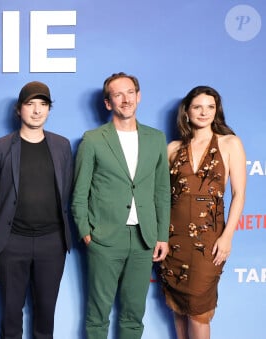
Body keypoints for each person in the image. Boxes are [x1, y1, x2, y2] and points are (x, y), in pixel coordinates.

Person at [71, 72, 171, 339]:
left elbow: (162, 191)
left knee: (133, 315)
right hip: (104, 238)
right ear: (108, 103)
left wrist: (162, 236)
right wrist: (86, 232)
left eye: (130, 93)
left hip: (143, 238)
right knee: (97, 314)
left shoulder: (156, 138)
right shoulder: (92, 139)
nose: (125, 99)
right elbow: (79, 192)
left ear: (139, 96)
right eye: (118, 94)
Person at [158, 86, 246, 339]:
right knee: (179, 309)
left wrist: (227, 237)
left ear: (217, 111)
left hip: (209, 240)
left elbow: (239, 195)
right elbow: (162, 197)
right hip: (173, 240)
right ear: (186, 111)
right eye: (197, 106)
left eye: (210, 106)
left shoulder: (230, 143)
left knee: (198, 311)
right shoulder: (173, 148)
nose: (204, 112)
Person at [0, 81, 73, 339]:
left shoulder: (62, 146)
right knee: (11, 314)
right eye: (30, 104)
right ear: (18, 109)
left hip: (52, 242)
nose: (37, 111)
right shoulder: (0, 147)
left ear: (48, 109)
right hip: (12, 242)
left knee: (46, 314)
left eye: (43, 104)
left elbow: (67, 190)